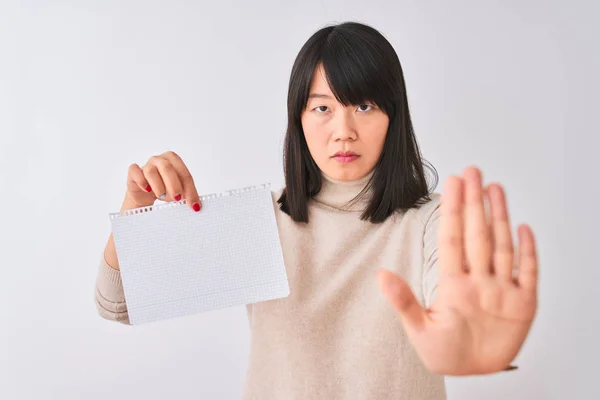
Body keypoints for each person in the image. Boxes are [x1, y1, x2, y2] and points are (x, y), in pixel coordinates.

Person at [94, 21, 538, 399]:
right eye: (322, 108)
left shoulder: (430, 222)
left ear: (394, 116)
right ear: (299, 119)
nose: (342, 131)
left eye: (363, 106)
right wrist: (136, 211)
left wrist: (464, 334)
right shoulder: (262, 223)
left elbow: (453, 300)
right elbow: (117, 304)